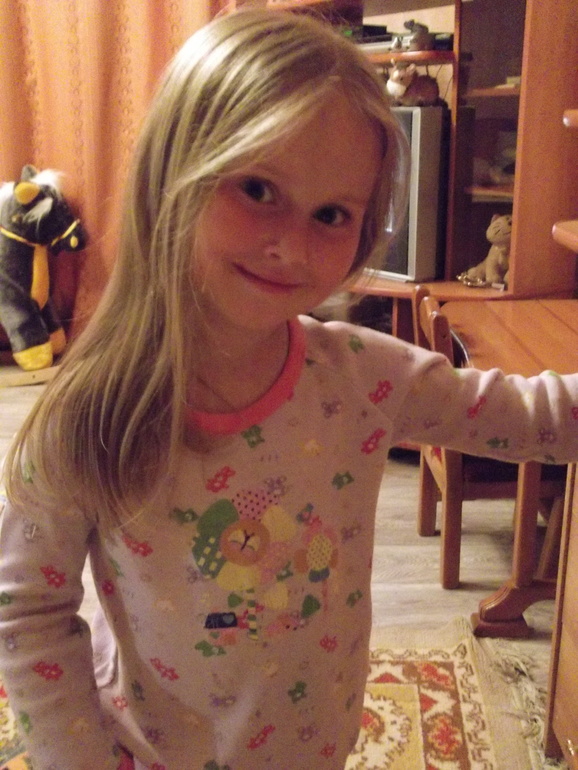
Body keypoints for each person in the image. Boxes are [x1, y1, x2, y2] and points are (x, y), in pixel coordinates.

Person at [0, 8, 577, 770]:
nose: (293, 244)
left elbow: (535, 416)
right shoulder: (88, 414)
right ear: (172, 176)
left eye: (332, 213)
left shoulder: (367, 378)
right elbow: (26, 615)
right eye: (258, 188)